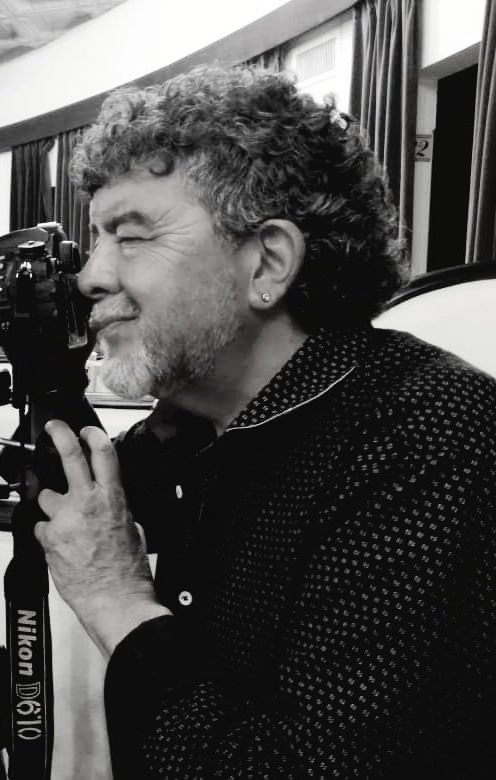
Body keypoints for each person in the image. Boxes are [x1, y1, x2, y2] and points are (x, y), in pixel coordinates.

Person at [33, 64, 496, 778]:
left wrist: (114, 598)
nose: (90, 276)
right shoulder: (192, 428)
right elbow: (67, 494)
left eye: (131, 237)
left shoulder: (428, 436)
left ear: (268, 263)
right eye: (95, 240)